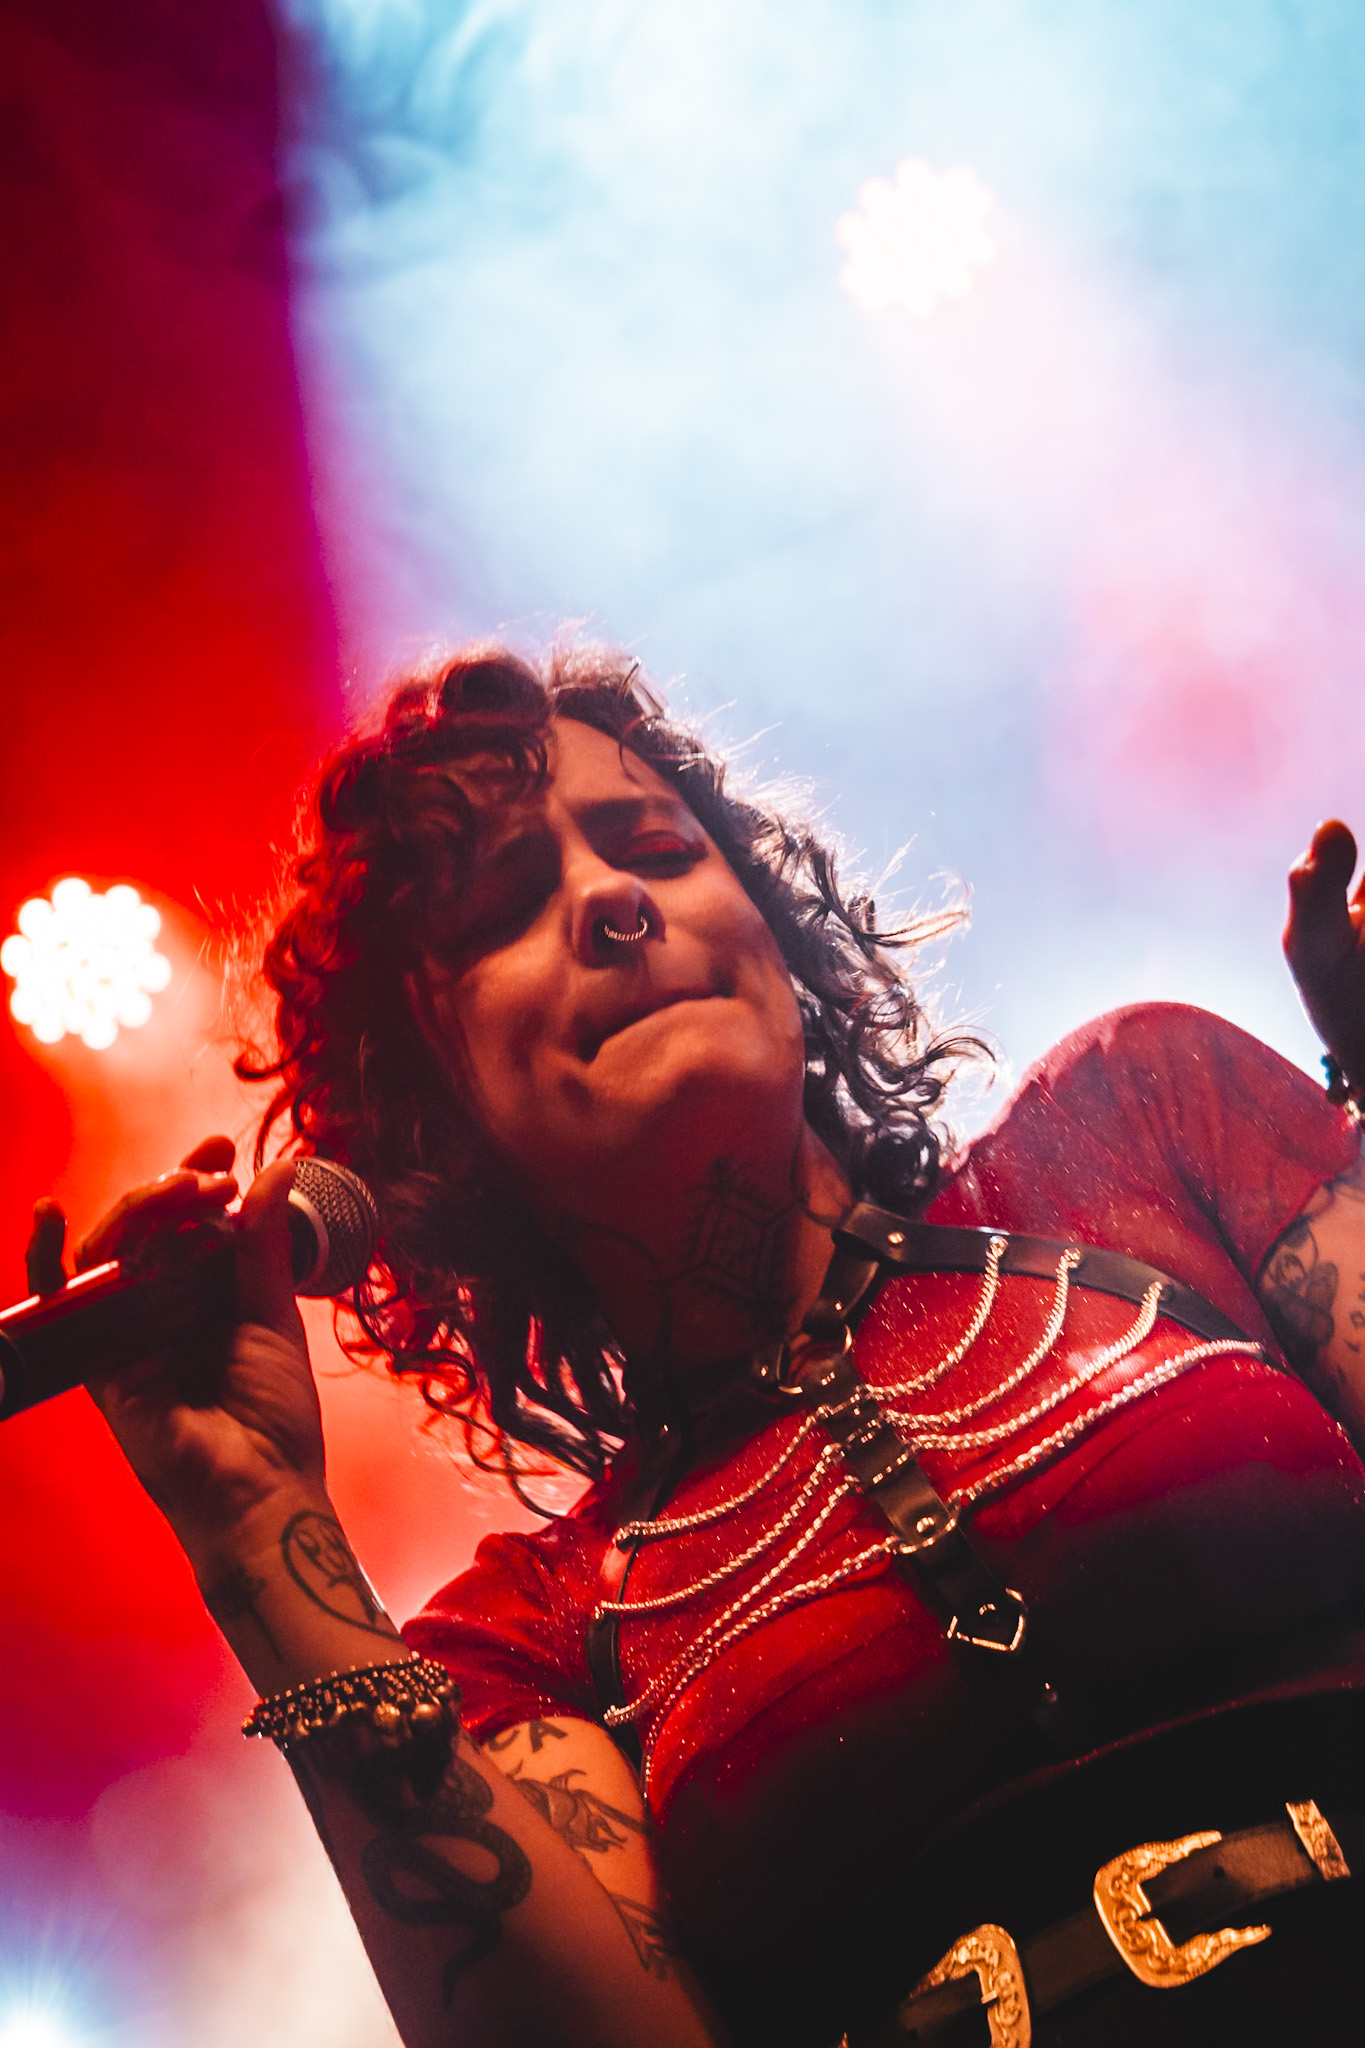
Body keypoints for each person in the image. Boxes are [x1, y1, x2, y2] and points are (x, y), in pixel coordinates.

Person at [27, 642, 1365, 2047]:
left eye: (658, 849)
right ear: (429, 1110)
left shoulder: (1142, 1120)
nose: (612, 900)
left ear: (772, 940)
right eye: (505, 906)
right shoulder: (531, 1638)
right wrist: (256, 1527)